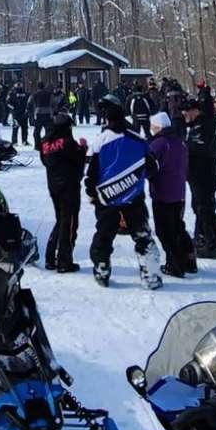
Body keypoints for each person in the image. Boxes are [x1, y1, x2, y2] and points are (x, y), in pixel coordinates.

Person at [84, 95, 163, 290]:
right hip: (134, 198)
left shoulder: (99, 142)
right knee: (143, 236)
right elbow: (153, 167)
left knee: (103, 236)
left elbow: (90, 175)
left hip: (107, 200)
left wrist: (92, 194)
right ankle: (151, 275)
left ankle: (102, 269)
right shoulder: (139, 140)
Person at [148, 111, 195, 278]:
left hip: (163, 192)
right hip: (179, 192)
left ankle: (175, 265)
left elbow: (149, 167)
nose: (151, 128)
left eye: (153, 125)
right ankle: (189, 259)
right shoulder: (179, 142)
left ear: (158, 126)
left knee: (164, 231)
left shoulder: (159, 144)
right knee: (178, 227)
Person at [39, 113, 84, 273]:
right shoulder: (68, 142)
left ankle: (51, 257)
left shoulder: (44, 143)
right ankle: (64, 261)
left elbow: (45, 162)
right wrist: (83, 148)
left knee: (61, 220)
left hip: (53, 185)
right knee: (70, 223)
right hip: (69, 186)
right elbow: (79, 162)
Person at [183, 97, 216, 259]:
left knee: (204, 208)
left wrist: (183, 149)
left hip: (204, 175)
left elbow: (198, 148)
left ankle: (212, 242)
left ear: (195, 111)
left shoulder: (203, 126)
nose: (184, 114)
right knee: (200, 207)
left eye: (187, 111)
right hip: (197, 175)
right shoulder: (194, 126)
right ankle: (204, 238)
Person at [31, 82, 53, 150]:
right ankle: (48, 145)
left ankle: (37, 146)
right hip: (48, 114)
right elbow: (53, 103)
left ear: (38, 87)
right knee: (48, 131)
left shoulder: (34, 94)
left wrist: (31, 114)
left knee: (37, 131)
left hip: (38, 114)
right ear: (44, 87)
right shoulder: (49, 94)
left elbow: (30, 104)